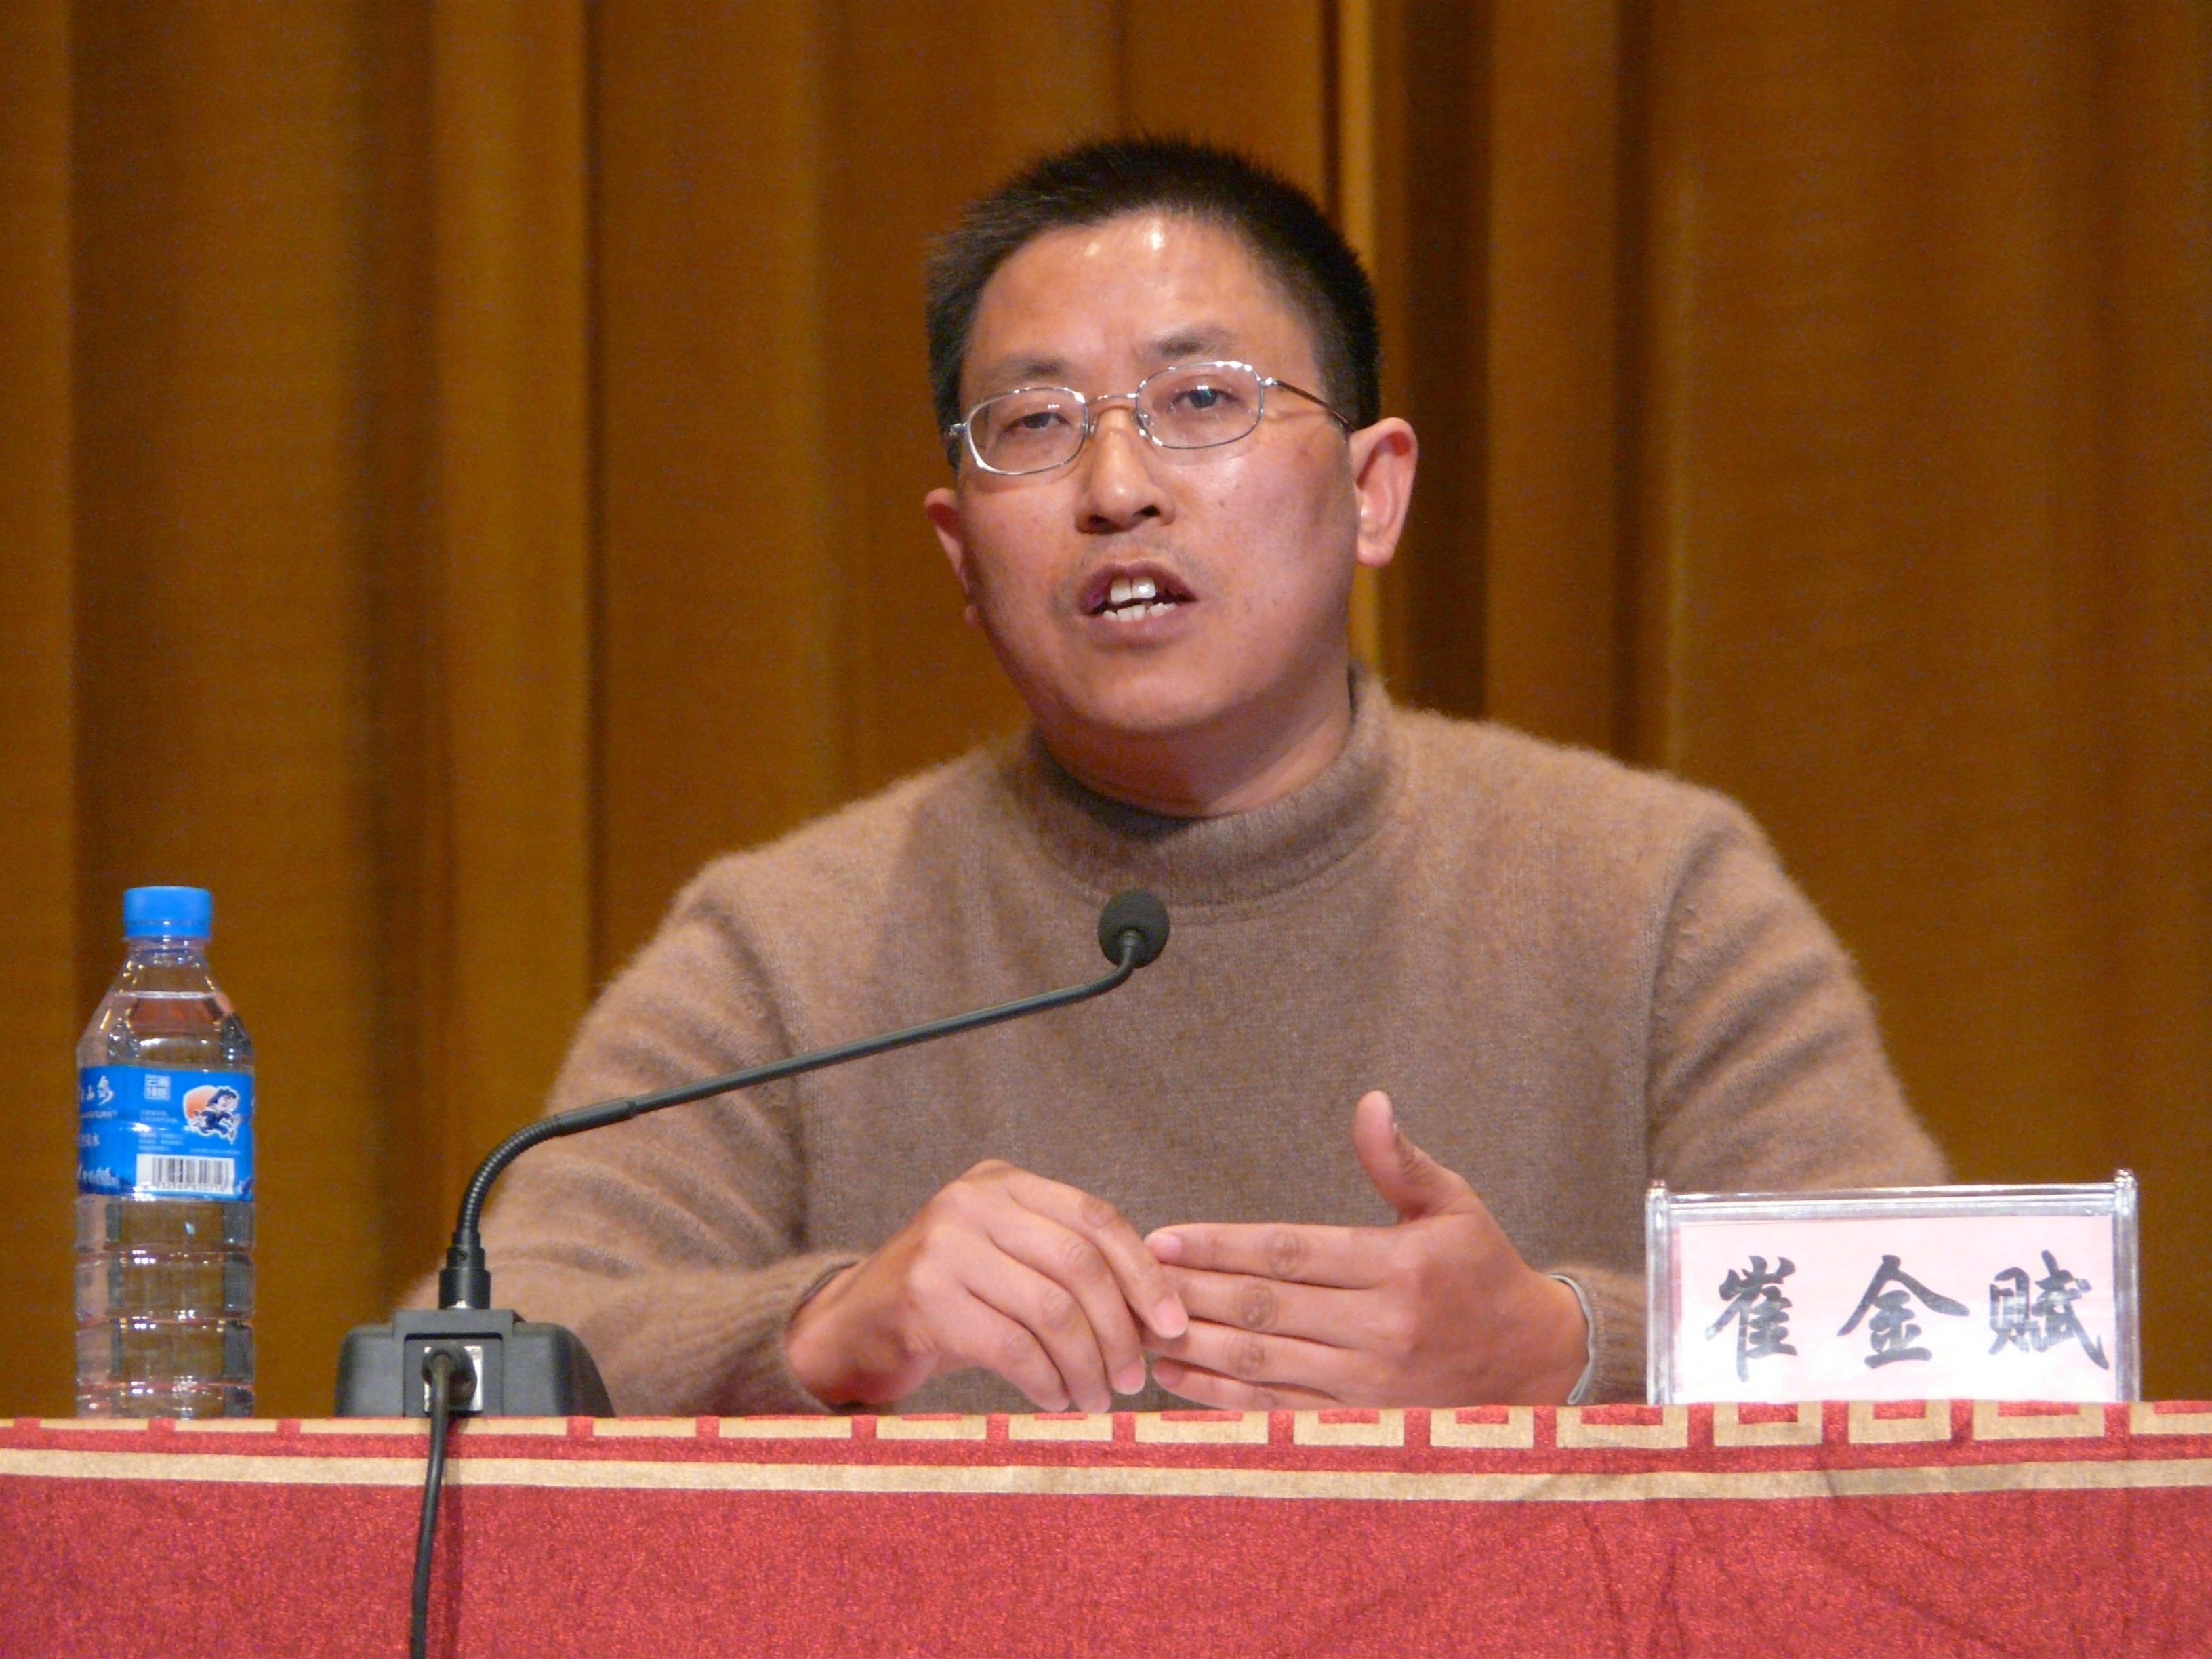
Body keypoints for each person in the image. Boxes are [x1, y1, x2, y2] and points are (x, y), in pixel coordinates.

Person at [470, 138, 1945, 1416]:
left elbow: (1959, 1328)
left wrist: (1567, 1350)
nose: (1118, 487)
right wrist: (824, 1327)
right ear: (962, 556)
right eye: (1036, 426)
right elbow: (465, 1353)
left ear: (1373, 493)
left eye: (1201, 401)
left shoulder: (1650, 895)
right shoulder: (791, 949)